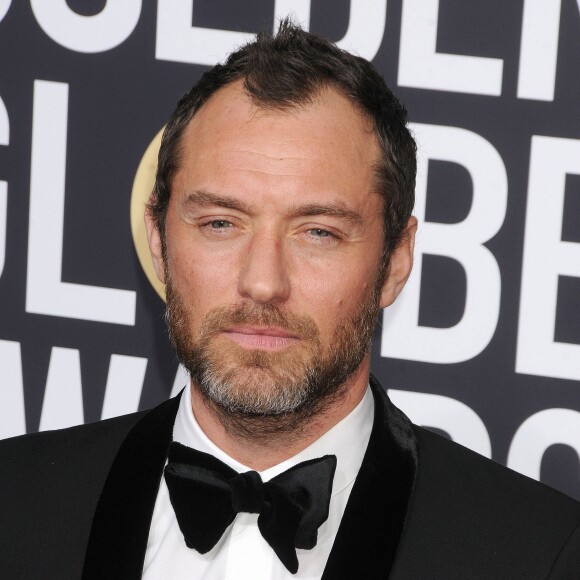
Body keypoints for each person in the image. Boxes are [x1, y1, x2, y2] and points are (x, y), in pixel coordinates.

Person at [1, 20, 579, 580]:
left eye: (319, 232)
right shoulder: (17, 503)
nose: (263, 282)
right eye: (221, 223)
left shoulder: (536, 552)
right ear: (159, 242)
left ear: (395, 261)